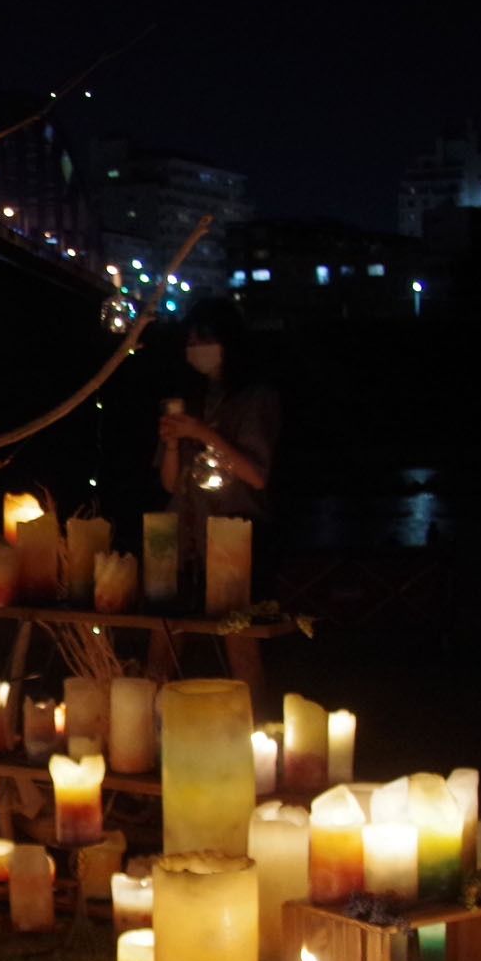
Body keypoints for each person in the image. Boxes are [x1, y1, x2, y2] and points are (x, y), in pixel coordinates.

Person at [157, 296, 281, 706]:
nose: (196, 347)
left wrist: (204, 434)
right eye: (190, 339)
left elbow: (255, 475)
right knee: (163, 636)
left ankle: (257, 738)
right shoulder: (190, 398)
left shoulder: (254, 398)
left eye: (205, 338)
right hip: (184, 536)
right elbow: (170, 484)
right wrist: (174, 444)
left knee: (238, 643)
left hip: (232, 540)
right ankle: (147, 733)